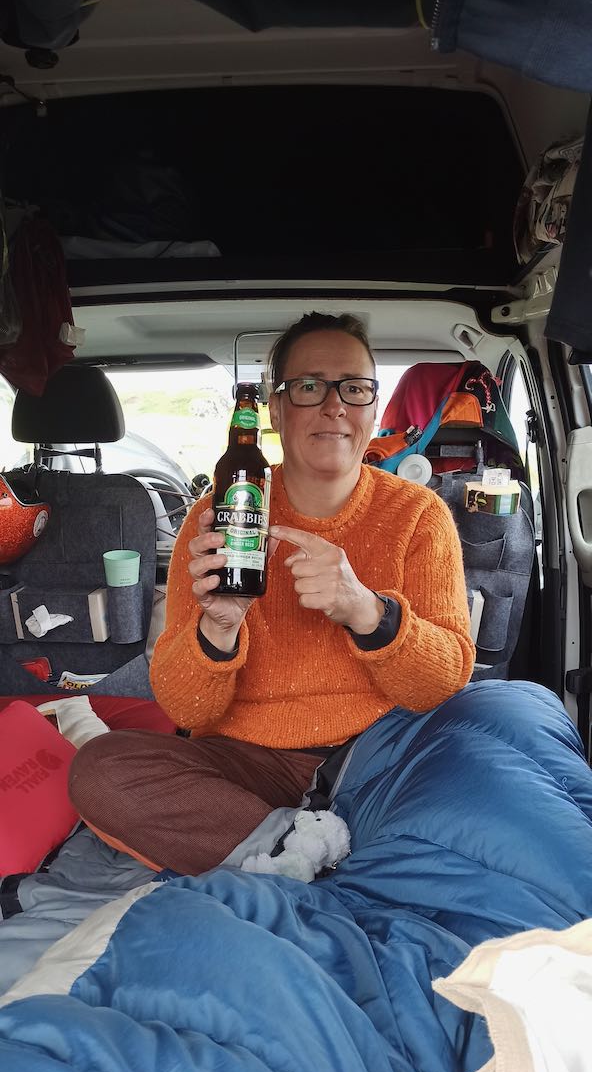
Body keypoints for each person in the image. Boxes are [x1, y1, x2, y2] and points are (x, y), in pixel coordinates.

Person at [69, 312, 475, 874]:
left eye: (354, 388)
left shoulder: (418, 515)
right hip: (245, 763)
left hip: (376, 757)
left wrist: (367, 611)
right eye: (309, 386)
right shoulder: (215, 520)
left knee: (494, 752)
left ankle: (282, 856)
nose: (335, 406)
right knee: (102, 769)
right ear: (276, 408)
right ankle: (300, 851)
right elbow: (185, 708)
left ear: (374, 406)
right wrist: (218, 627)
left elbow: (443, 683)